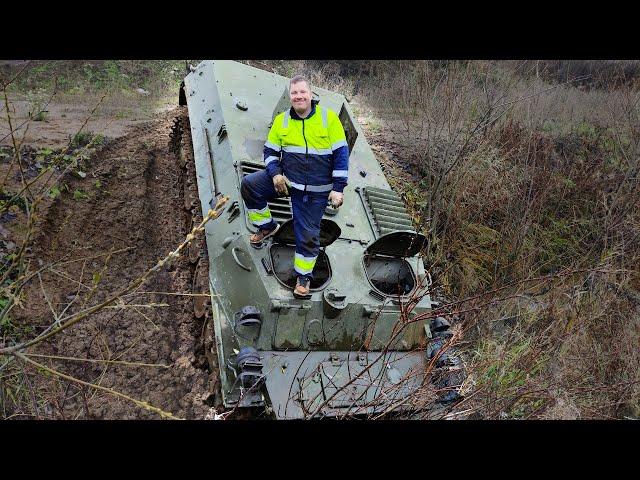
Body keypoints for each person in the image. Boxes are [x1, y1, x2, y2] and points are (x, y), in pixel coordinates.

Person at [240, 74, 349, 298]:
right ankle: (267, 226)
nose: (298, 96)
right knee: (250, 186)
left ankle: (303, 277)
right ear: (290, 96)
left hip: (316, 190)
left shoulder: (328, 119)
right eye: (294, 93)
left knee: (308, 235)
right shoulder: (282, 121)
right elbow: (270, 151)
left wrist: (338, 188)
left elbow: (341, 154)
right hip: (288, 182)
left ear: (311, 94)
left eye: (302, 92)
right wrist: (276, 174)